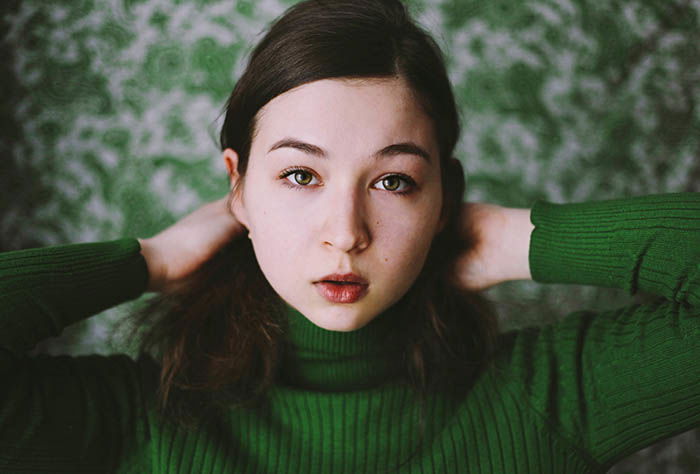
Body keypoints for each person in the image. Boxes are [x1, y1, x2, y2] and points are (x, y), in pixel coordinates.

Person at [1, 0, 698, 472]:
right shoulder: (146, 417)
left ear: (443, 198)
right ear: (237, 186)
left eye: (394, 181)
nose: (345, 234)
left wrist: (518, 238)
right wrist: (150, 260)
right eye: (301, 175)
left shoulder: (545, 400)